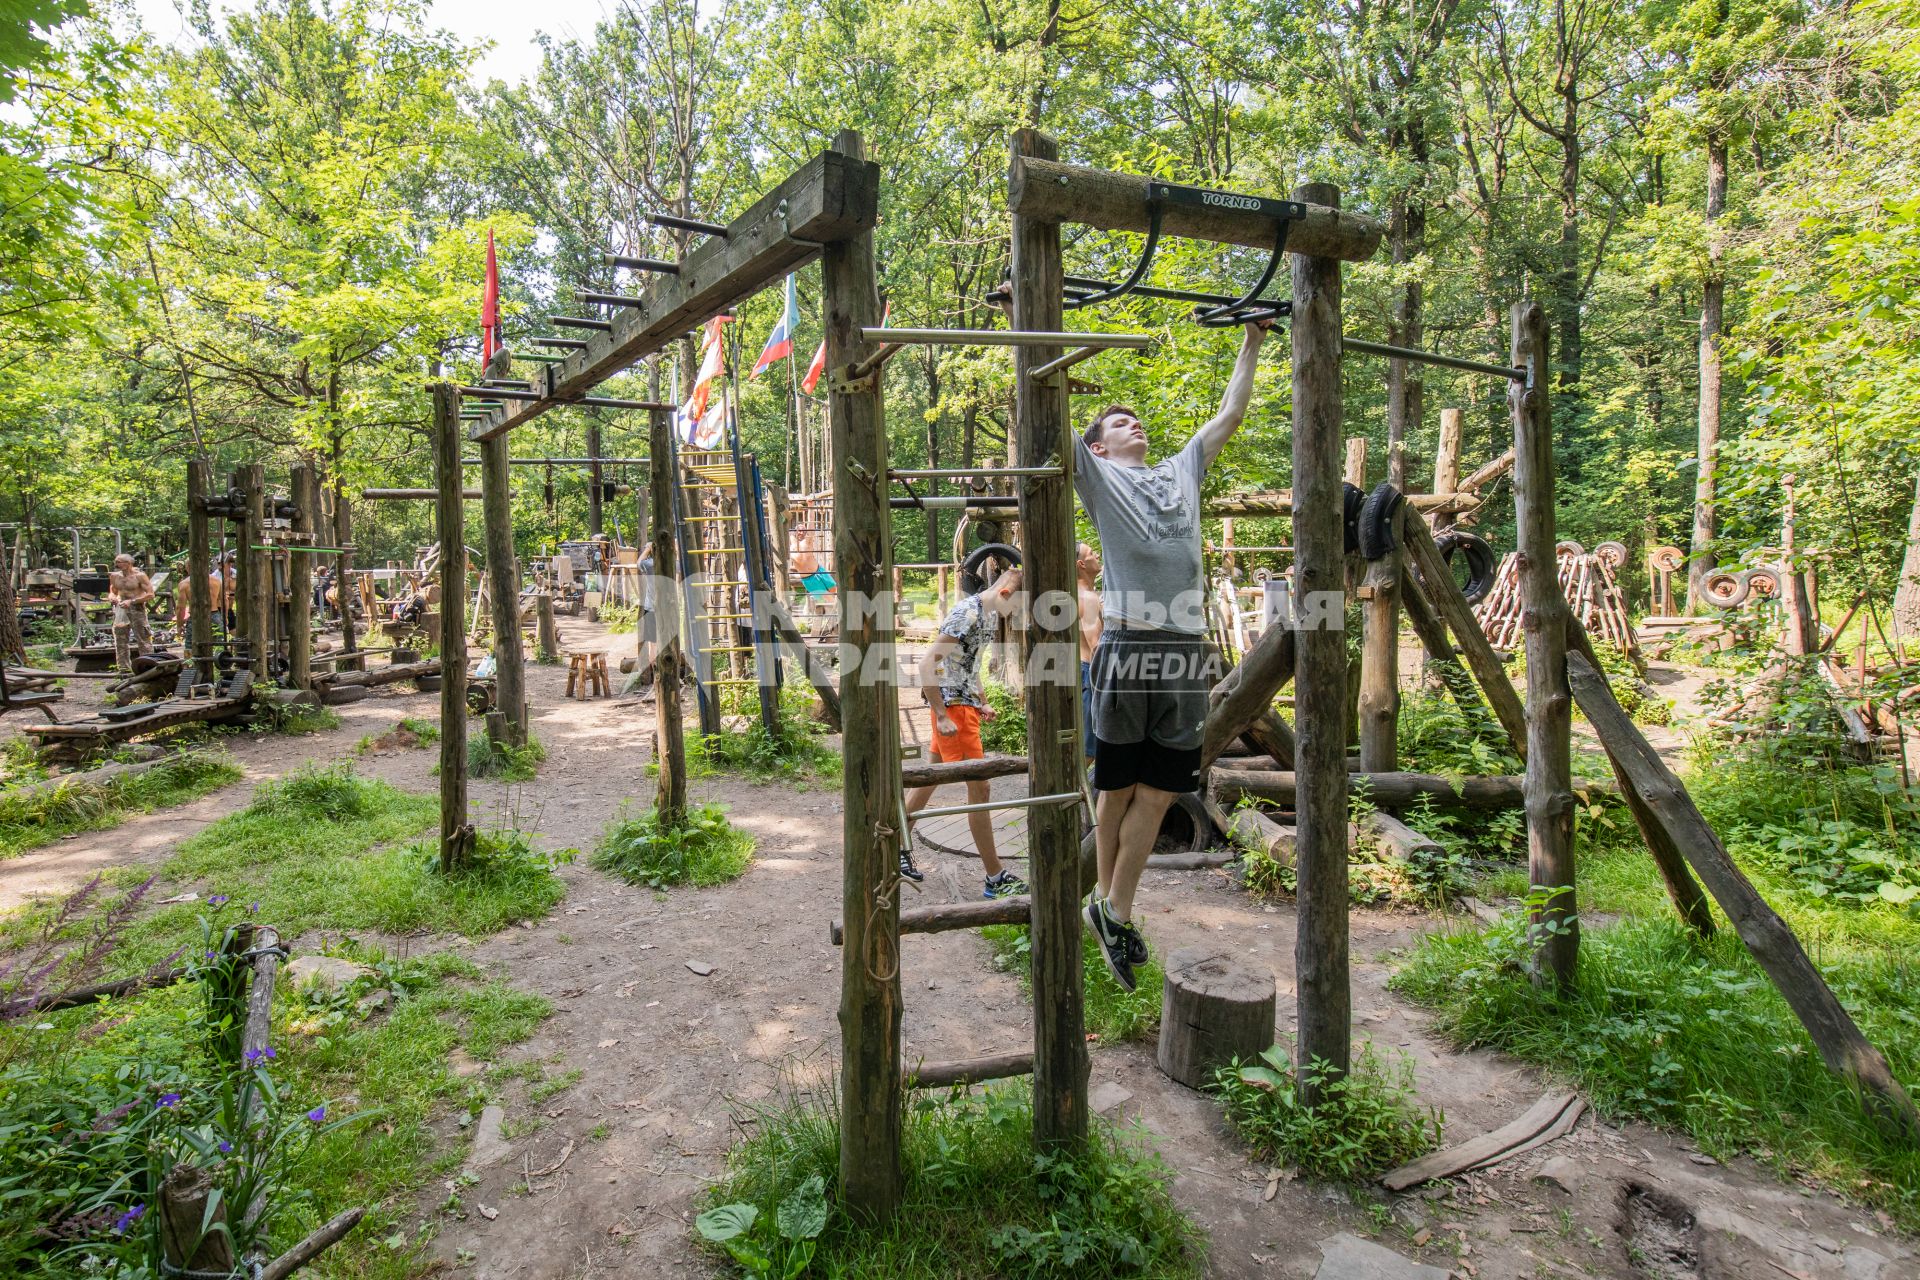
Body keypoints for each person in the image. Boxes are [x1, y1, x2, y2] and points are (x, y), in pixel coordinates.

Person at [1076, 320, 1271, 990]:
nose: (1134, 423)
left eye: (1136, 418)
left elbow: (1231, 412)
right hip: (1130, 641)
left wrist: (1254, 341)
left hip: (1185, 651)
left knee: (1160, 793)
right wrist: (1028, 319)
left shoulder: (1181, 469)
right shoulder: (1099, 479)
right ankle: (1109, 906)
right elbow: (1034, 408)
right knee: (1117, 785)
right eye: (1119, 421)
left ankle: (1111, 910)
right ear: (1097, 447)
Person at [901, 566, 1026, 897]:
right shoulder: (968, 612)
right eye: (1016, 605)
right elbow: (928, 663)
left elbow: (967, 664)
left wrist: (982, 701)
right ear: (1004, 594)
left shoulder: (986, 615)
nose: (1015, 614)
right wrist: (942, 715)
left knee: (930, 778)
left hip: (964, 704)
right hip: (952, 709)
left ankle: (896, 847)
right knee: (980, 789)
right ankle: (994, 877)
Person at [1075, 542, 1103, 768]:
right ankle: (1068, 798)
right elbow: (1097, 647)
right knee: (1088, 750)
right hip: (1089, 673)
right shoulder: (1088, 598)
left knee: (1088, 748)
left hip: (1081, 671)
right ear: (1081, 564)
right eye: (1092, 553)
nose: (1097, 555)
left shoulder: (1081, 593)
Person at [107, 553, 155, 671]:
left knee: (143, 639)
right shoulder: (114, 576)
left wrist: (132, 601)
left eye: (119, 562)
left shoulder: (140, 576)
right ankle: (124, 669)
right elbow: (113, 591)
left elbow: (150, 594)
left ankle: (147, 667)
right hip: (120, 609)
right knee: (120, 640)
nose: (116, 564)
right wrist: (112, 597)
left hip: (136, 609)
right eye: (116, 562)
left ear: (128, 563)